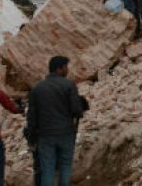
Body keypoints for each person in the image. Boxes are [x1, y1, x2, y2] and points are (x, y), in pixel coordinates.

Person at [27, 56, 85, 186]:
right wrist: (81, 107)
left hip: (45, 136)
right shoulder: (69, 85)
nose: (67, 70)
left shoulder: (37, 89)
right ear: (59, 68)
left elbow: (31, 117)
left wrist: (31, 139)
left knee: (47, 169)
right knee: (65, 166)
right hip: (66, 133)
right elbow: (76, 111)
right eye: (66, 67)